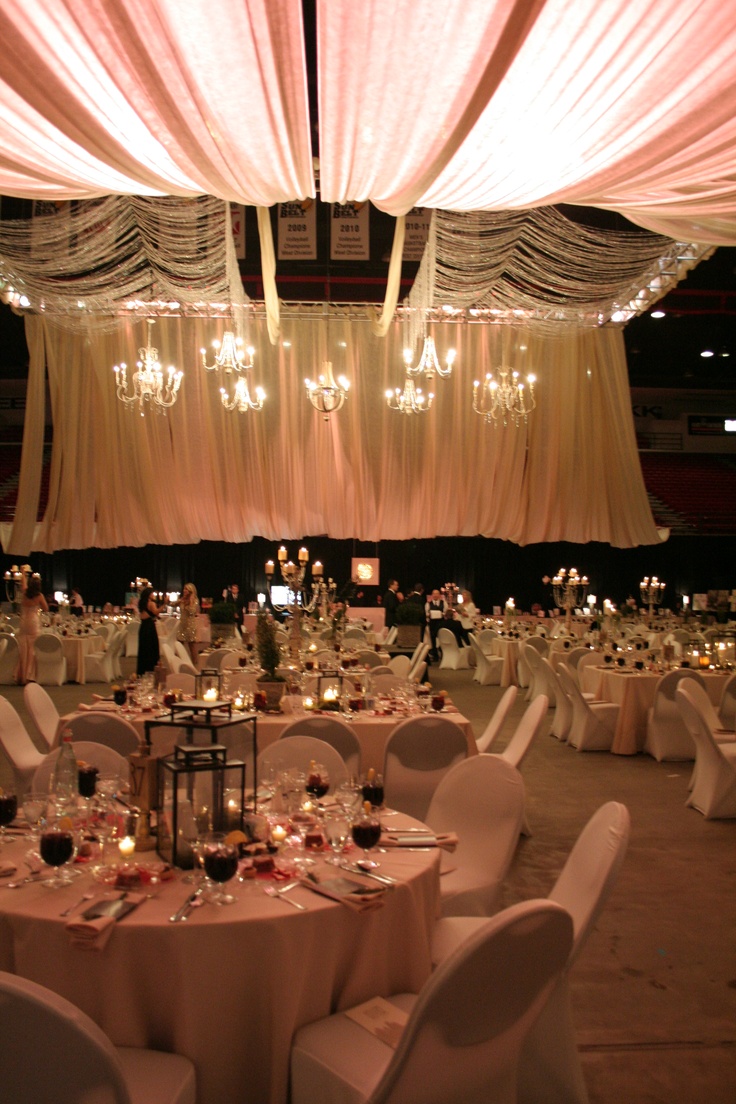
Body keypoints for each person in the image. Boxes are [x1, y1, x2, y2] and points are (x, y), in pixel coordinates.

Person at [15, 575, 49, 685]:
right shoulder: (39, 596)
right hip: (33, 622)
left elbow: (23, 583)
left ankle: (22, 674)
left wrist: (23, 573)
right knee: (32, 649)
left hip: (24, 622)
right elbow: (46, 608)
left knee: (24, 648)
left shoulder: (25, 592)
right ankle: (30, 675)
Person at [136, 586, 161, 676]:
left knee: (143, 649)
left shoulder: (141, 603)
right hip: (150, 627)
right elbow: (156, 612)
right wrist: (164, 604)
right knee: (151, 648)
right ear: (149, 594)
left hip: (143, 626)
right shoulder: (151, 603)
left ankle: (142, 670)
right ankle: (150, 669)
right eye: (152, 593)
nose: (153, 595)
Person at [177, 582, 200, 664]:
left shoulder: (195, 600)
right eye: (184, 588)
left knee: (192, 645)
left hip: (190, 625)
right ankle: (179, 662)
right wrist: (180, 600)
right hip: (182, 624)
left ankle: (194, 663)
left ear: (190, 591)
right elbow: (173, 604)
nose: (184, 590)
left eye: (186, 589)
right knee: (179, 644)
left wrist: (190, 602)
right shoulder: (182, 599)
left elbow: (192, 611)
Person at [425, 588, 447, 661]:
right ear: (432, 595)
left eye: (437, 593)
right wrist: (429, 615)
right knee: (433, 639)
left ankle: (444, 654)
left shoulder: (443, 603)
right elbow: (426, 613)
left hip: (441, 622)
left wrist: (441, 614)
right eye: (434, 594)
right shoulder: (428, 603)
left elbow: (446, 612)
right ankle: (435, 655)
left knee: (442, 638)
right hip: (432, 623)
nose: (435, 595)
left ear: (439, 595)